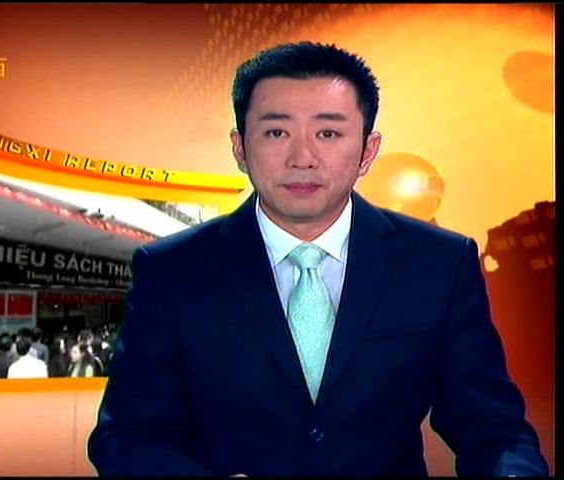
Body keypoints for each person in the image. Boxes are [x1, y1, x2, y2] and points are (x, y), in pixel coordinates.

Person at [87, 42, 548, 477]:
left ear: (367, 151)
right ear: (240, 148)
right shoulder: (171, 271)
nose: (302, 157)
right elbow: (126, 435)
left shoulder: (439, 263)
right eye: (276, 132)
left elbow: (493, 428)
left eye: (328, 133)